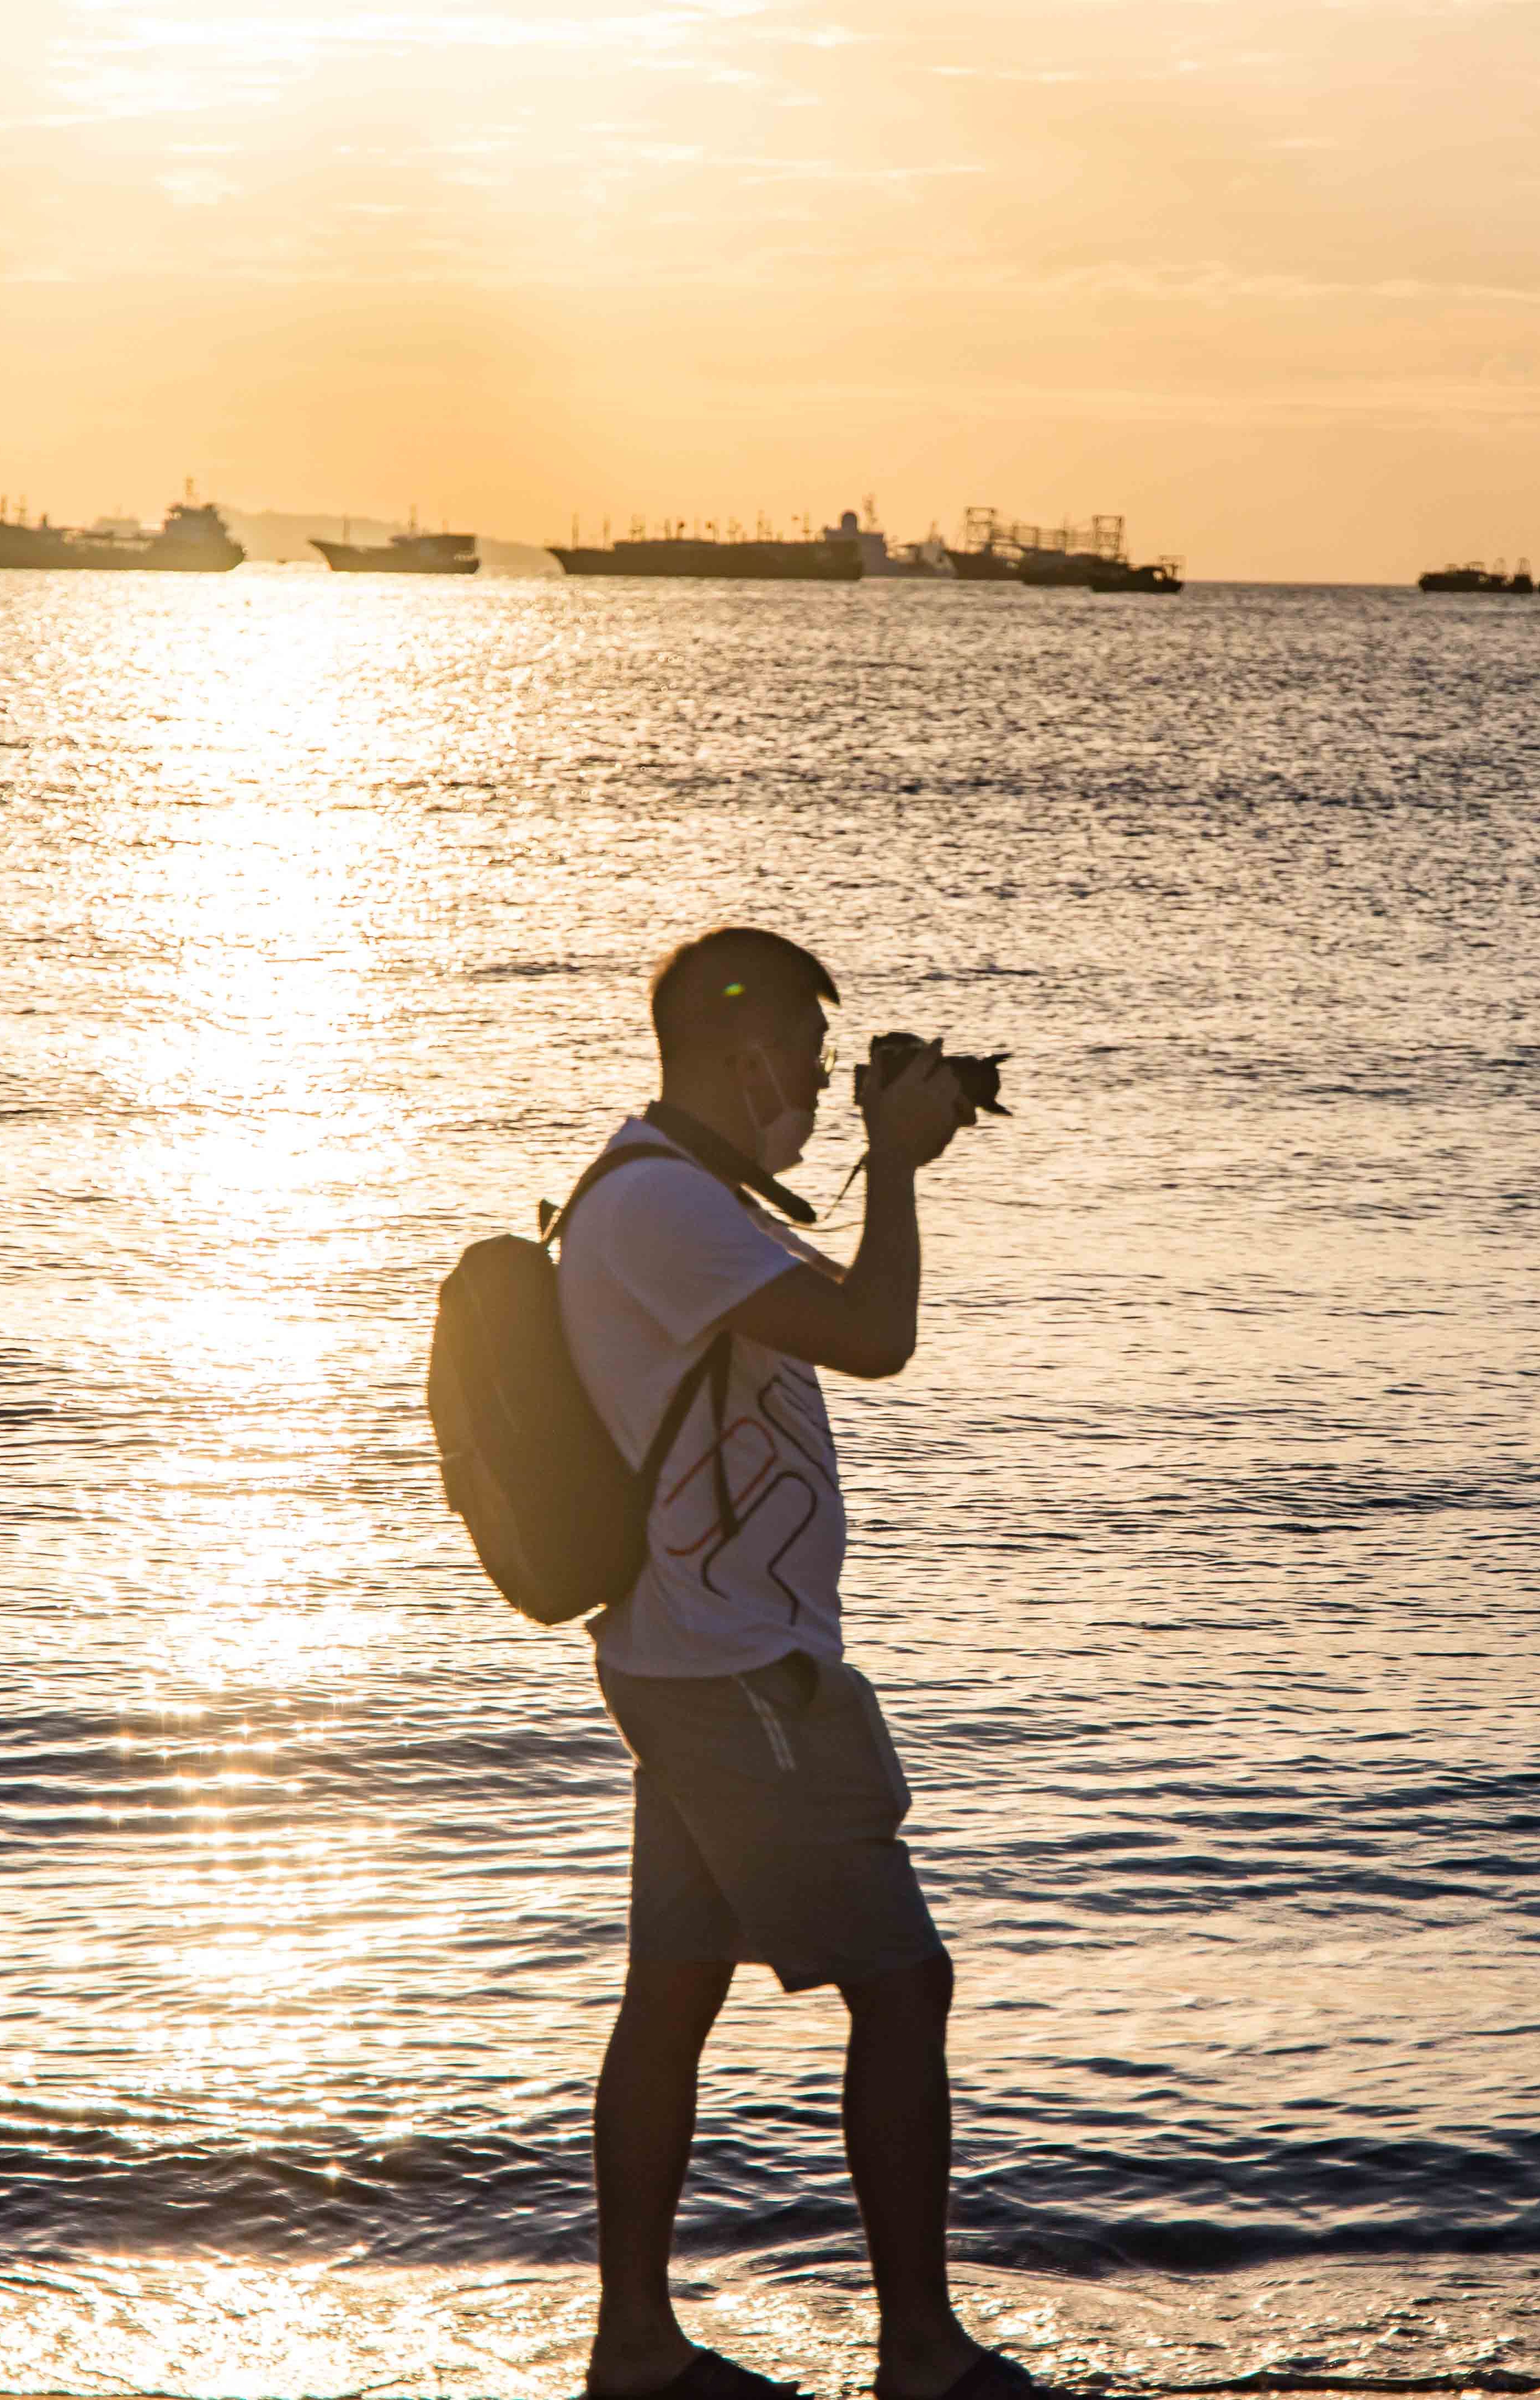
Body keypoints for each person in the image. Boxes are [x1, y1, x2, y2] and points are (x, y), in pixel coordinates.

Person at [554, 926, 1035, 2400]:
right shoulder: (662, 1207)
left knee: (677, 1987)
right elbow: (876, 1335)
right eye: (818, 1068)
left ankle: (636, 2347)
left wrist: (898, 1155)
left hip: (695, 1658)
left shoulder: (689, 1197)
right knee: (902, 1986)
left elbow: (827, 1304)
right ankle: (921, 2357)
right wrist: (891, 1165)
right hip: (737, 1675)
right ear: (744, 1056)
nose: (823, 1094)